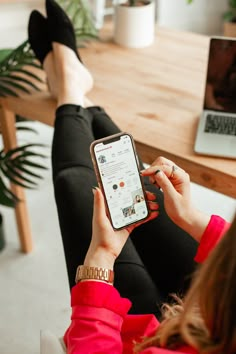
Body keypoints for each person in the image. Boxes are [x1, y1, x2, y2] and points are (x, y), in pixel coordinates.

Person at [28, 1, 235, 353]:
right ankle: (75, 89)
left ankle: (70, 86)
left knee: (78, 186)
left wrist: (100, 259)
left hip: (158, 335)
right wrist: (196, 221)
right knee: (139, 181)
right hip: (214, 305)